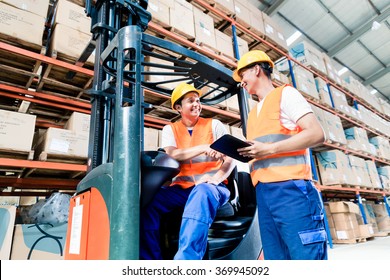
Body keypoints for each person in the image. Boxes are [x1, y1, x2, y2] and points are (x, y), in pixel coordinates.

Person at [233, 50, 328, 260]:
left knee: (306, 257)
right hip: (264, 194)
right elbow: (263, 148)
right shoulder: (254, 113)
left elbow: (316, 133)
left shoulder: (286, 94)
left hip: (292, 191)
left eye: (243, 76)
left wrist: (268, 150)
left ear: (257, 70)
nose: (242, 82)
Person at [139, 82, 236, 260]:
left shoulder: (214, 125)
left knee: (202, 191)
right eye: (191, 101)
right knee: (148, 202)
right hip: (181, 189)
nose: (196, 104)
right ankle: (150, 262)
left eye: (198, 100)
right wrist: (204, 147)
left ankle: (186, 262)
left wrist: (216, 178)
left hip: (212, 187)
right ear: (178, 107)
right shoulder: (170, 129)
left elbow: (230, 159)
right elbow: (174, 154)